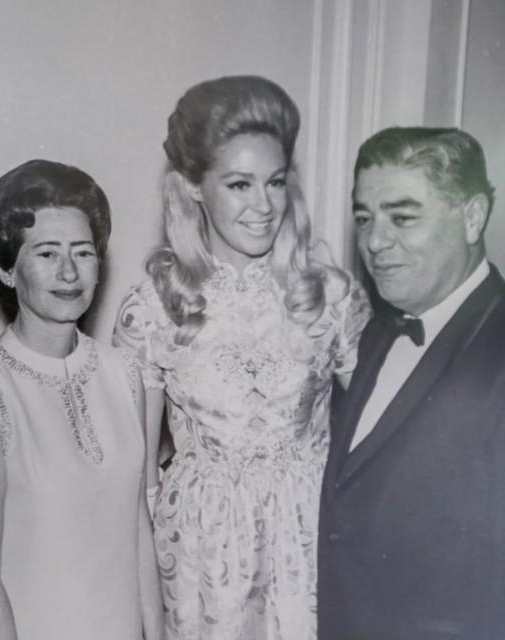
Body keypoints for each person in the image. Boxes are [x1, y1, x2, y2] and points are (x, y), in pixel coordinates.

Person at [112, 76, 371, 639]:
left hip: (310, 547)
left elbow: (379, 450)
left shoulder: (330, 296)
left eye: (275, 182)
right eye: (239, 184)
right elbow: (136, 485)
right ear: (194, 189)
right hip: (200, 562)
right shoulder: (154, 307)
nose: (263, 206)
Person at [0, 159, 163, 640]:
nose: (69, 272)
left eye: (83, 253)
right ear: (7, 268)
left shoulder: (125, 373)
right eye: (47, 254)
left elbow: (139, 532)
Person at [318, 127, 505, 640]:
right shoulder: (375, 329)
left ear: (471, 217)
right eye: (364, 218)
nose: (375, 241)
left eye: (402, 217)